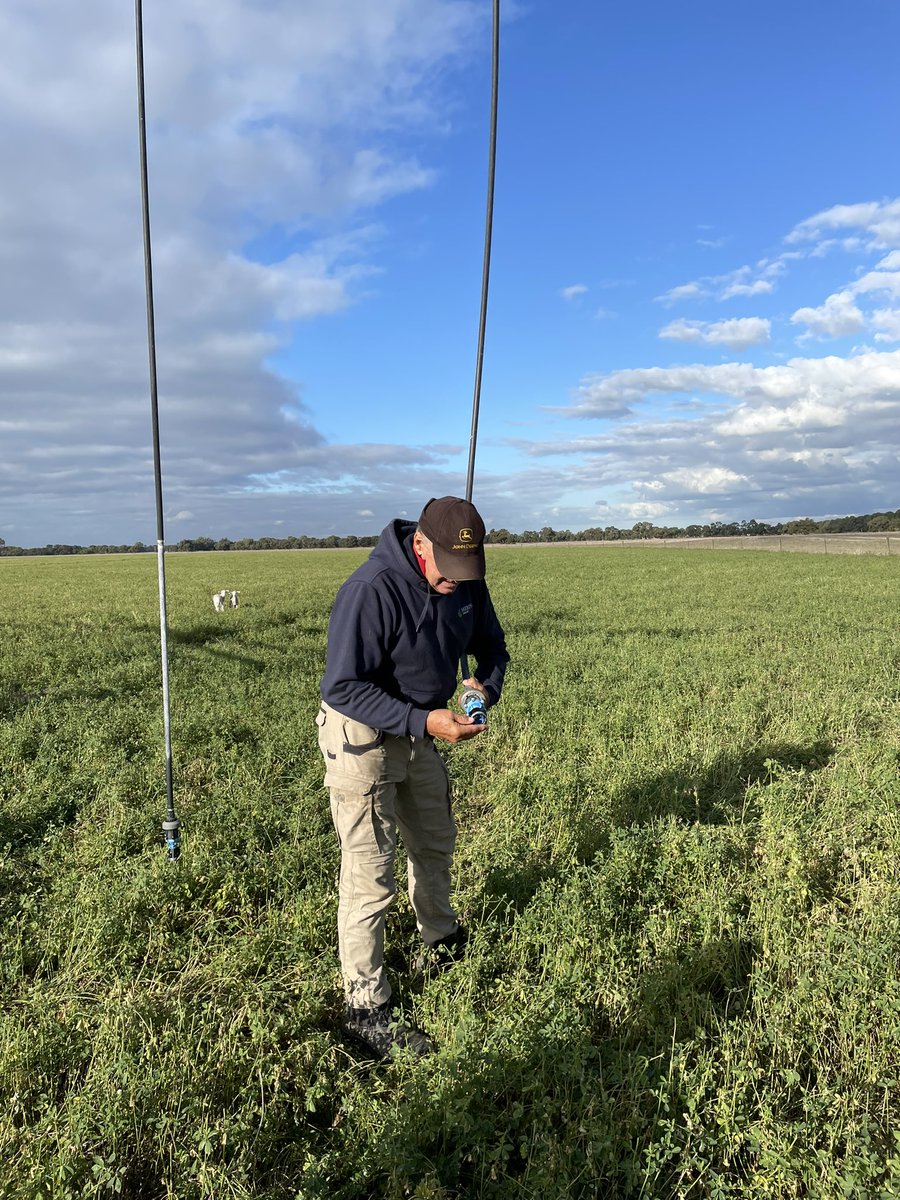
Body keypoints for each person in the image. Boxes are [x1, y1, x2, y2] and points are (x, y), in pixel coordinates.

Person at [317, 496, 509, 1058]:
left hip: (422, 729)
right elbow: (342, 686)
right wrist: (424, 720)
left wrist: (483, 687)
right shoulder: (370, 590)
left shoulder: (465, 580)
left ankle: (441, 942)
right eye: (447, 569)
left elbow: (493, 647)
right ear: (420, 544)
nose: (456, 582)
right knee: (369, 870)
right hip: (362, 734)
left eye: (466, 571)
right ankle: (365, 1008)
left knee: (434, 840)